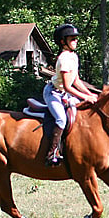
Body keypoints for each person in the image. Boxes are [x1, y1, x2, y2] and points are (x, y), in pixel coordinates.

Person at [43, 24, 98, 166]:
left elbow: (77, 80)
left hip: (63, 93)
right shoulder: (64, 59)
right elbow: (68, 86)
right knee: (61, 119)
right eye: (72, 39)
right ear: (63, 42)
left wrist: (90, 93)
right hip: (53, 93)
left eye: (76, 39)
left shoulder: (73, 57)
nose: (76, 41)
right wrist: (85, 97)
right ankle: (52, 153)